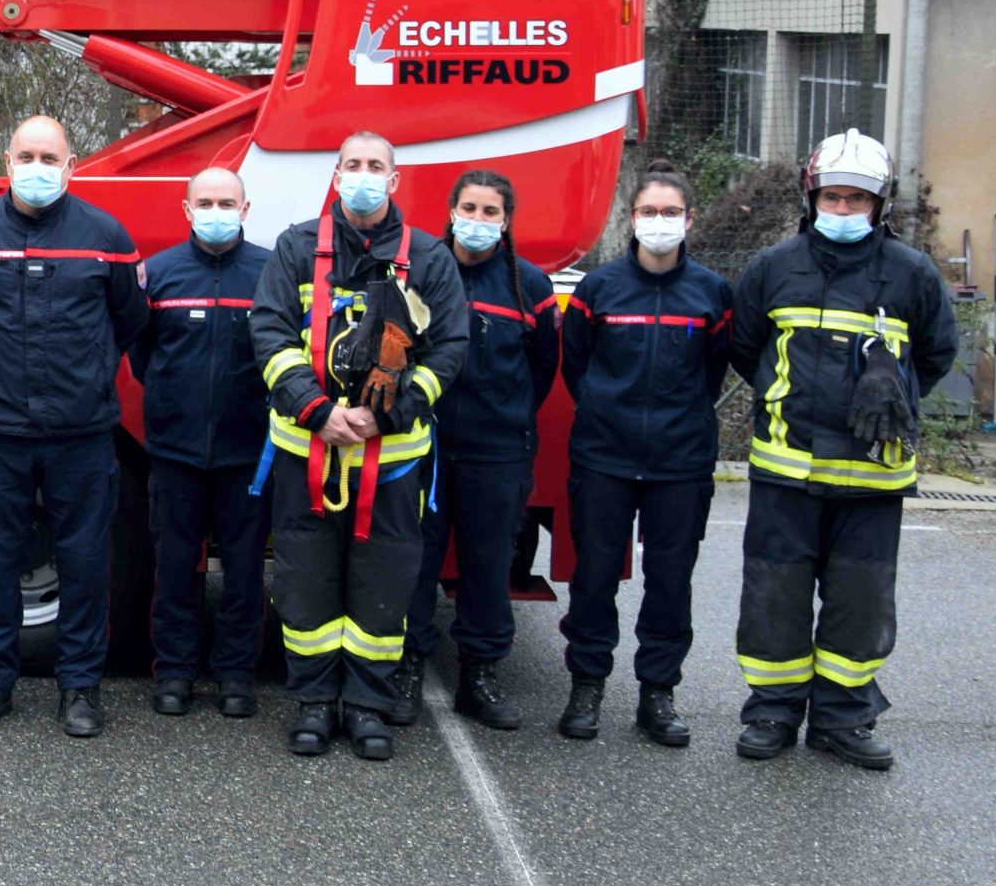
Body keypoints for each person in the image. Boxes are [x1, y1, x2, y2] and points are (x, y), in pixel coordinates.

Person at [731, 129, 958, 770]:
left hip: (872, 478)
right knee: (775, 594)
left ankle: (843, 718)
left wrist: (899, 393)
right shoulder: (774, 267)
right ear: (812, 197)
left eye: (858, 200)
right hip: (786, 469)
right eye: (833, 197)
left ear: (879, 205)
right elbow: (746, 349)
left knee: (860, 601)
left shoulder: (911, 274)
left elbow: (937, 354)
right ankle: (772, 712)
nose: (845, 210)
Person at [250, 131, 466, 761]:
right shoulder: (296, 248)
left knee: (384, 585)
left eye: (376, 166)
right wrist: (316, 411)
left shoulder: (426, 258)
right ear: (336, 174)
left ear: (394, 181)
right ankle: (314, 704)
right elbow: (269, 333)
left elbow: (449, 349)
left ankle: (368, 705)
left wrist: (387, 415)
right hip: (306, 454)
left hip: (390, 466)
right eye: (353, 165)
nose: (364, 176)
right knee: (306, 582)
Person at [0, 115, 147, 738]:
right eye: (25, 154)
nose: (37, 167)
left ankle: (79, 689)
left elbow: (128, 318)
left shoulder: (106, 236)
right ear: (7, 158)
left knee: (84, 560)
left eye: (48, 156)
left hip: (81, 431)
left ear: (71, 165)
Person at [555, 162, 734, 747]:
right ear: (631, 219)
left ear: (690, 220)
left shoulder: (711, 293)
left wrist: (678, 424)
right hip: (604, 457)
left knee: (670, 581)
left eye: (671, 212)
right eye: (649, 212)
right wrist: (609, 413)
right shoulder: (598, 289)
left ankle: (658, 695)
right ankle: (587, 687)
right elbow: (576, 364)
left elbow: (713, 372)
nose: (660, 222)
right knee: (594, 577)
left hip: (680, 464)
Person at [397, 169, 558, 732]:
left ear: (506, 221)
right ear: (450, 211)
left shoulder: (529, 287)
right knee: (414, 564)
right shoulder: (419, 275)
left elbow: (543, 368)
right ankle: (408, 669)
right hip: (426, 448)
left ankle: (479, 677)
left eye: (491, 212)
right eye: (470, 208)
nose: (479, 220)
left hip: (498, 452)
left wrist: (505, 418)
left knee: (488, 569)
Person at [129, 166, 272, 721]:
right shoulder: (159, 274)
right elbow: (143, 357)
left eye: (226, 202)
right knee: (176, 568)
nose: (216, 211)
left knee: (243, 572)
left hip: (249, 456)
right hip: (175, 452)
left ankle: (236, 676)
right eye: (205, 202)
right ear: (187, 211)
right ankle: (175, 672)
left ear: (245, 208)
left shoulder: (269, 274)